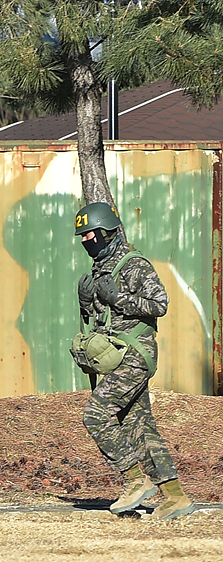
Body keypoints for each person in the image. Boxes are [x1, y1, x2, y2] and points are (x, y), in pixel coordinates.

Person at [73, 202, 195, 520]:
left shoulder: (133, 264)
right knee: (140, 426)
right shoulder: (100, 268)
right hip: (118, 356)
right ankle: (175, 497)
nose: (87, 241)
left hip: (136, 355)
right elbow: (105, 320)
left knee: (96, 414)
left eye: (91, 235)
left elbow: (160, 304)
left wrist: (119, 298)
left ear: (108, 232)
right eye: (82, 237)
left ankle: (134, 480)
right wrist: (87, 305)